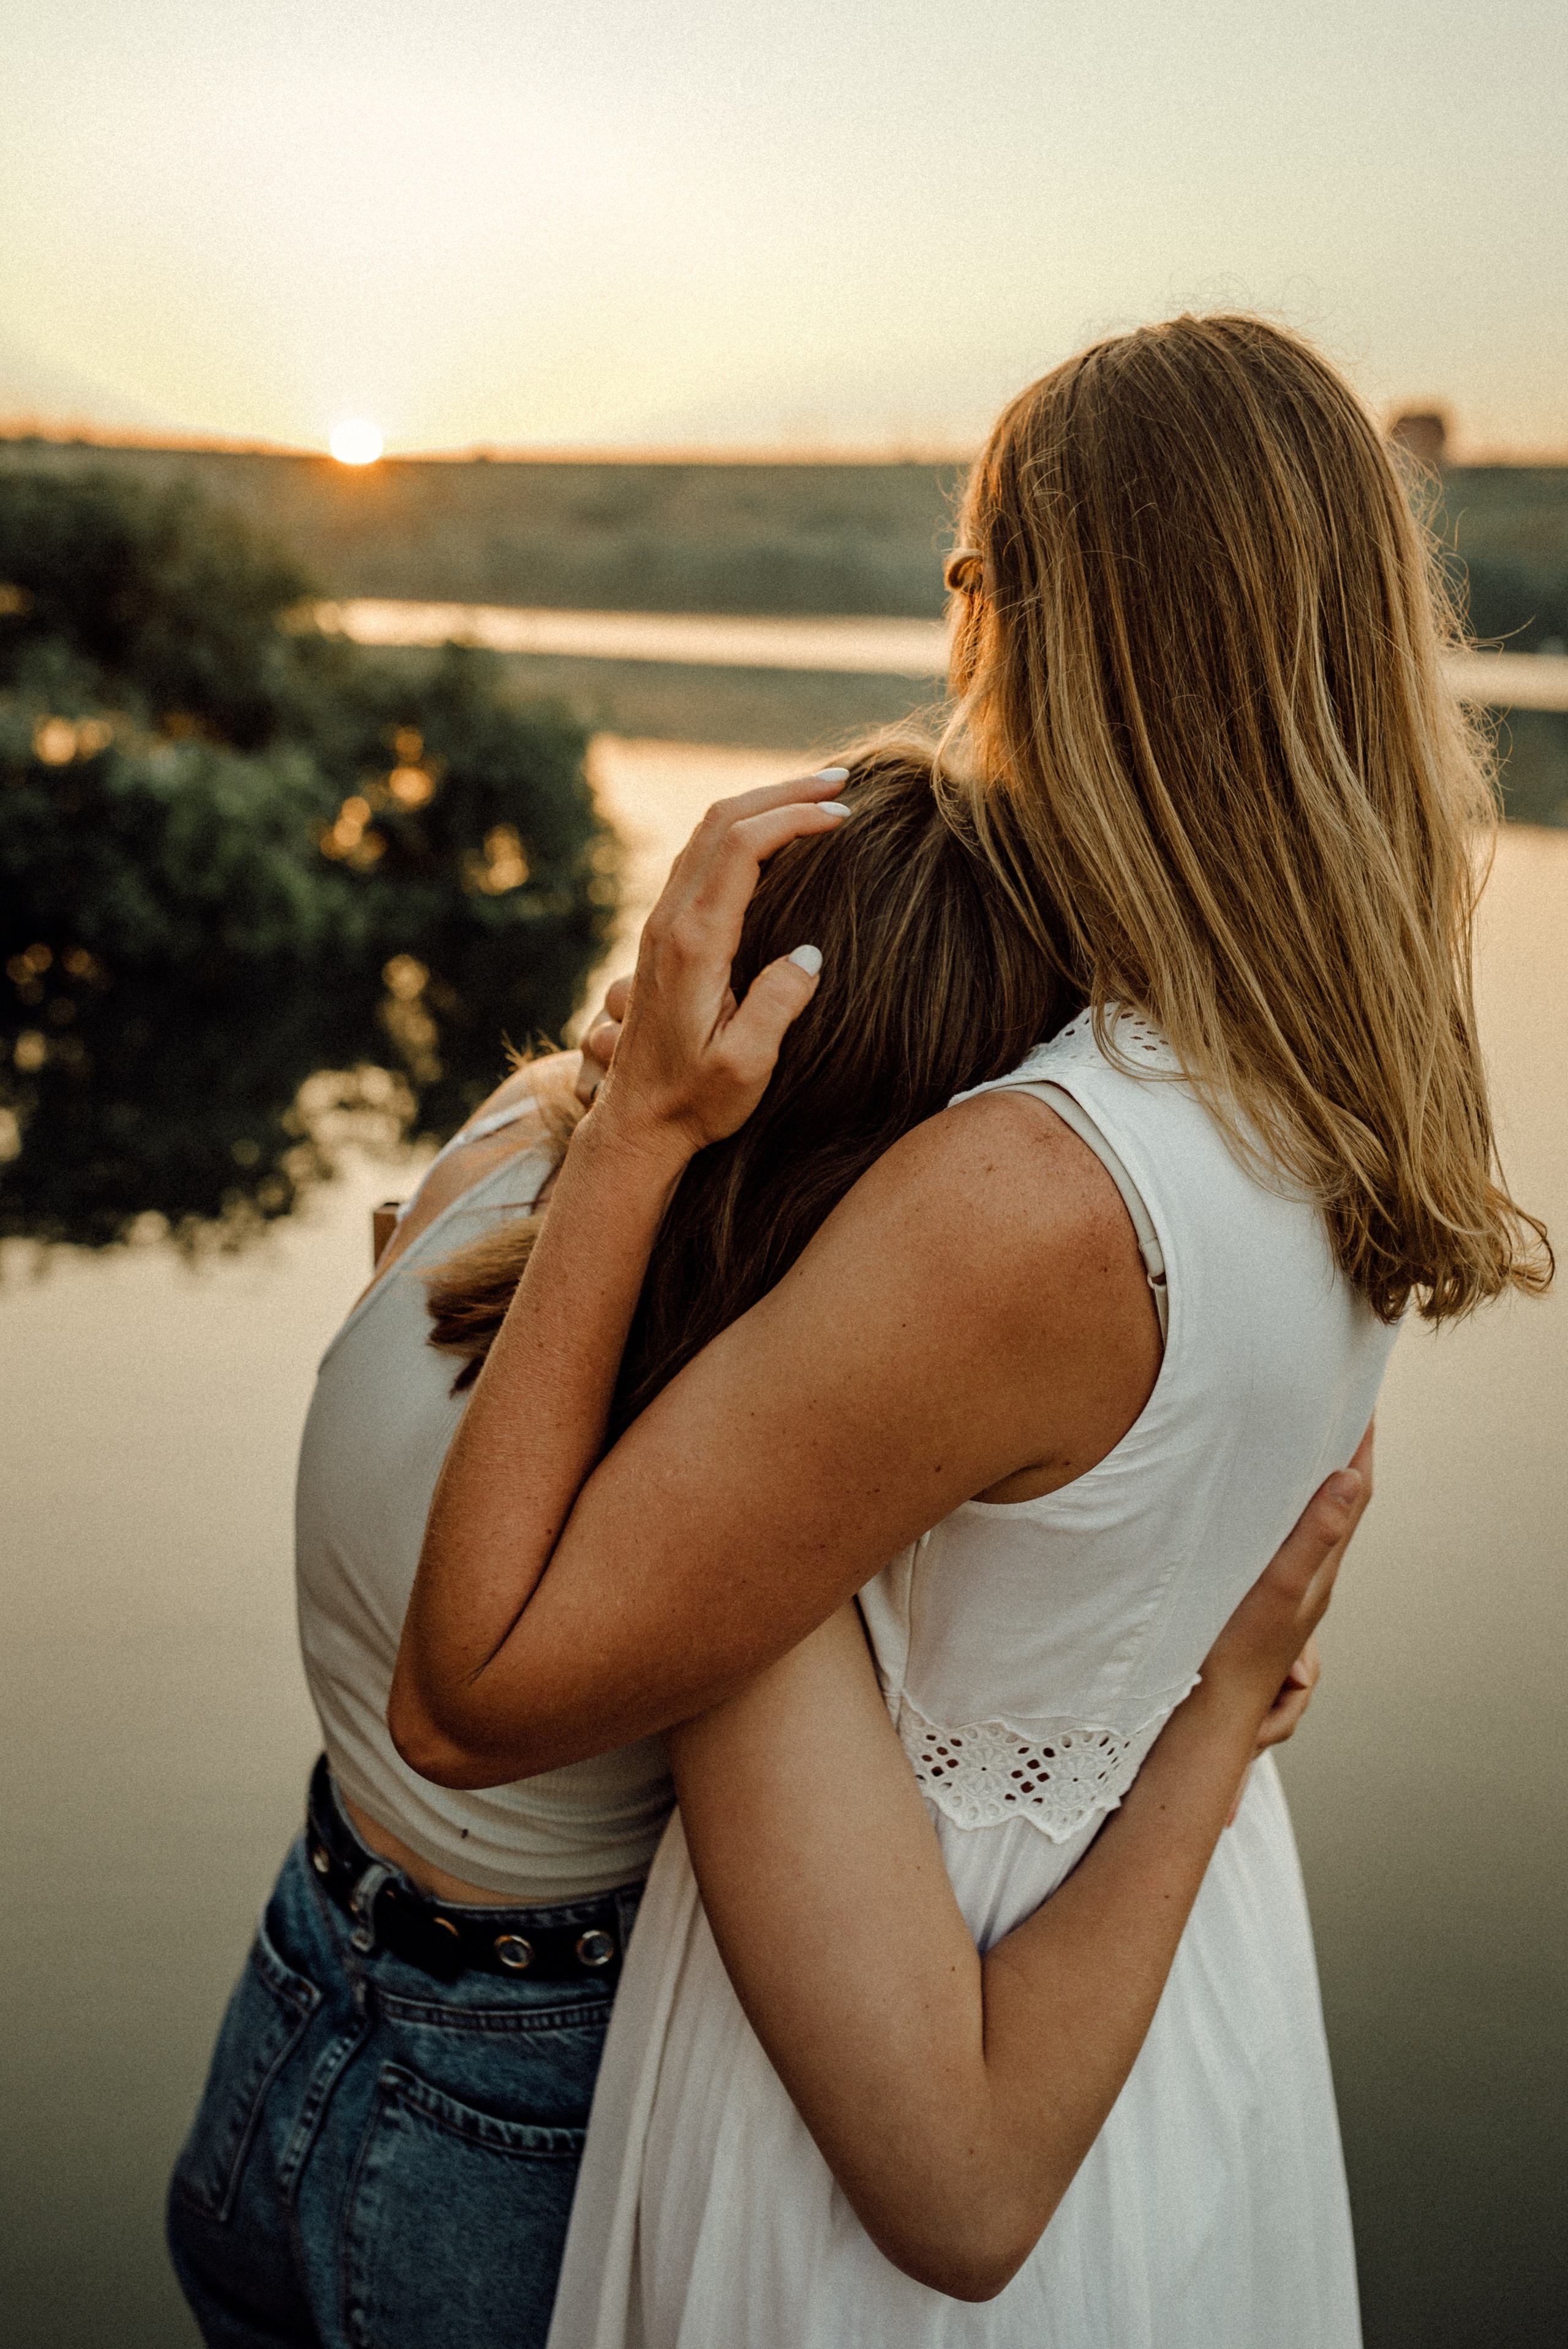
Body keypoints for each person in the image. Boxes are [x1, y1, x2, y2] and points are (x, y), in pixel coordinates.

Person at [390, 314, 1550, 2348]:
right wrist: (1218, 1712)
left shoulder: (1032, 1190)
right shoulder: (1343, 1107)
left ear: (1043, 623)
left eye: (974, 574)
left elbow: (473, 1692)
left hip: (879, 2118)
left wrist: (645, 1126)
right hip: (1171, 2036)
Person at [165, 746, 1348, 2349]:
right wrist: (1216, 1712)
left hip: (291, 2010)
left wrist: (643, 1112)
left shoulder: (502, 1150)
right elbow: (967, 2190)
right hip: (507, 2134)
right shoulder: (721, 1526)